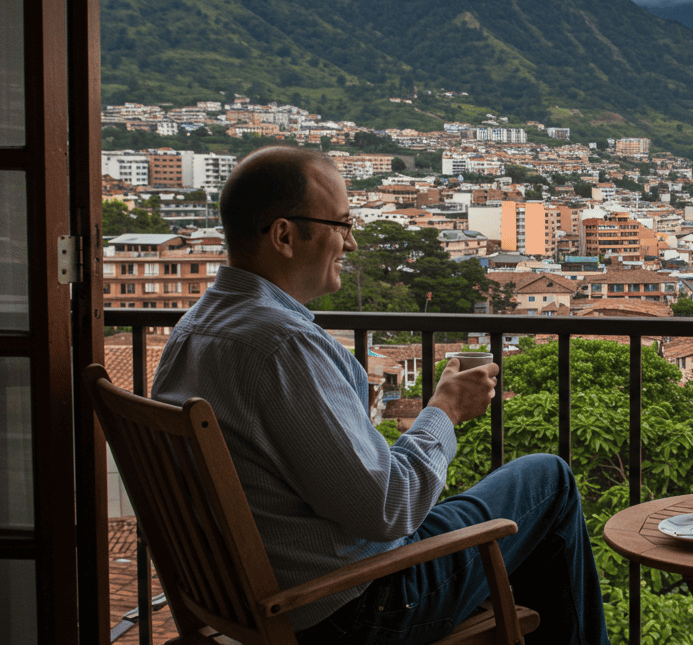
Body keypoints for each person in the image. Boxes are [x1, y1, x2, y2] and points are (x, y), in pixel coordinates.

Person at [151, 146, 608, 645]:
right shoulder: (284, 345)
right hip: (351, 607)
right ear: (284, 235)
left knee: (491, 509)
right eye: (342, 225)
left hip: (245, 598)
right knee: (549, 479)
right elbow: (390, 509)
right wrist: (445, 409)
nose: (349, 243)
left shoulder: (194, 330)